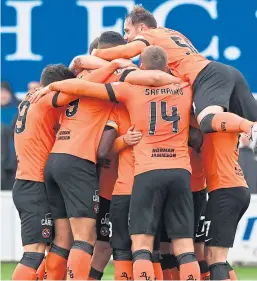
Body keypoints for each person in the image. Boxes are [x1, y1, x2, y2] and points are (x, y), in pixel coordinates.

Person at [33, 46, 201, 281]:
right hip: (181, 173)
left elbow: (84, 88)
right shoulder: (184, 87)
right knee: (182, 248)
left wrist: (52, 86)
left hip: (139, 177)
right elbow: (198, 134)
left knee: (136, 246)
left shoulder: (128, 92)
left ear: (140, 66)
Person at [91, 5, 257, 153]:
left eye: (127, 31)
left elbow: (128, 51)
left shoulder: (150, 34)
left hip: (206, 76)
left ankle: (250, 128)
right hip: (224, 71)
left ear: (142, 28)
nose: (125, 37)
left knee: (206, 121)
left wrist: (98, 53)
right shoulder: (171, 33)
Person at [11, 64, 77, 280]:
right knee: (34, 252)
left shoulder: (28, 99)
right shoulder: (45, 100)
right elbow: (77, 90)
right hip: (33, 184)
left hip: (33, 182)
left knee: (57, 244)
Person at [201, 131, 251, 280]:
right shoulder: (227, 125)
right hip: (235, 187)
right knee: (214, 253)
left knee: (214, 256)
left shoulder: (217, 121)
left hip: (225, 190)